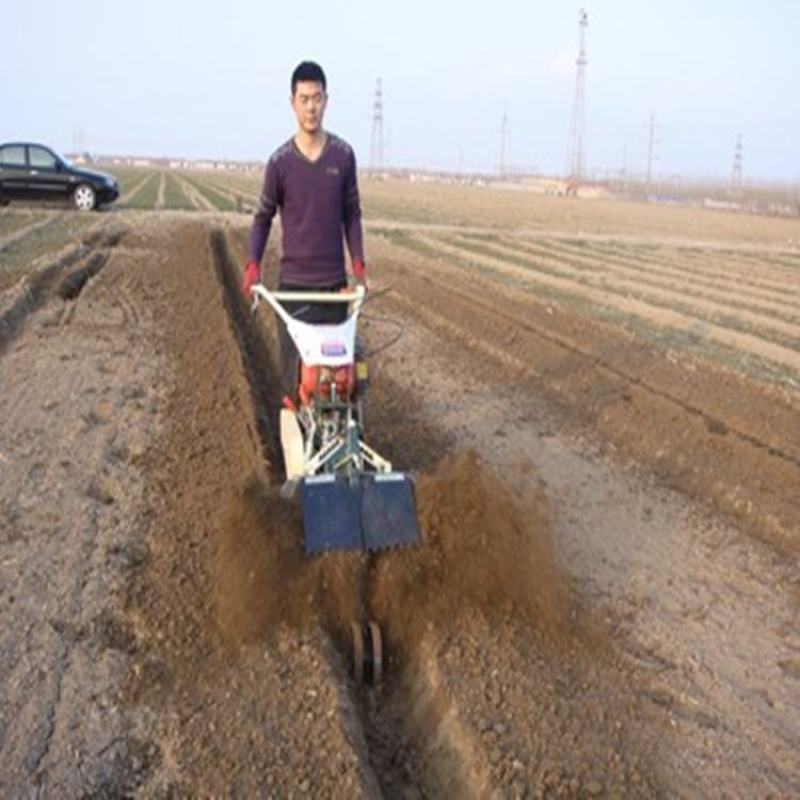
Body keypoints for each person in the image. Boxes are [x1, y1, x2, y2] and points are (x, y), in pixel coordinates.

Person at [242, 60, 367, 409]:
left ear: (326, 100)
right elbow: (264, 217)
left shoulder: (342, 156)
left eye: (317, 98)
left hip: (333, 289)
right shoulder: (280, 162)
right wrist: (253, 264)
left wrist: (358, 266)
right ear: (292, 102)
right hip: (294, 289)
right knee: (295, 386)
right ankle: (295, 449)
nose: (311, 107)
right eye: (304, 99)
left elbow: (352, 214)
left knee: (341, 381)